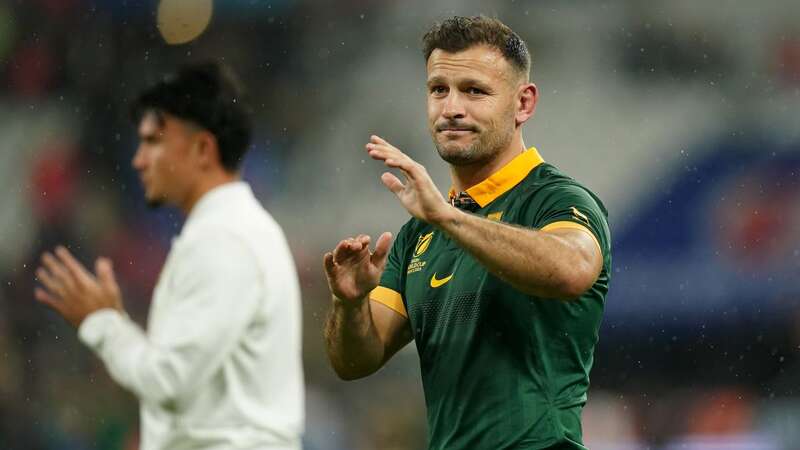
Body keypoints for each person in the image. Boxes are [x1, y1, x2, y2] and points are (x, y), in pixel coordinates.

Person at [323, 16, 611, 450]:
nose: (451, 108)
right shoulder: (417, 235)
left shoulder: (556, 200)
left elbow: (573, 269)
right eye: (439, 89)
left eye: (474, 91)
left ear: (523, 103)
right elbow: (355, 360)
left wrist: (446, 217)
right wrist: (349, 301)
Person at [34, 63, 304, 450]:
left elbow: (169, 381)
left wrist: (103, 323)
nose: (139, 160)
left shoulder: (223, 239)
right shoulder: (239, 230)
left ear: (202, 149)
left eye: (153, 142)